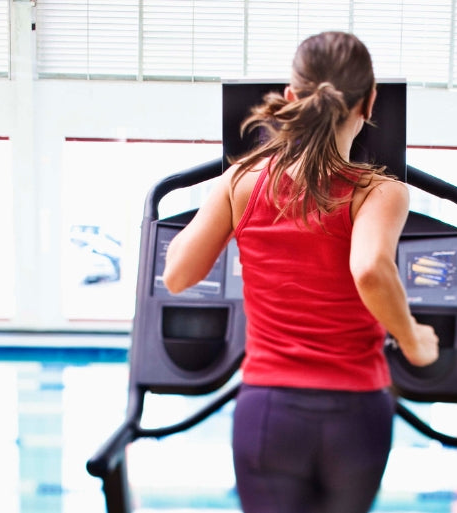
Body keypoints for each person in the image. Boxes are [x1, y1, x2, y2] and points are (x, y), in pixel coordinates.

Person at [162, 31, 439, 513]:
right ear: (368, 104)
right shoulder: (378, 193)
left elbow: (178, 275)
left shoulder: (243, 182)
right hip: (356, 412)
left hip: (270, 411)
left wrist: (229, 195)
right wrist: (414, 340)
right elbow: (371, 268)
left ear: (292, 98)